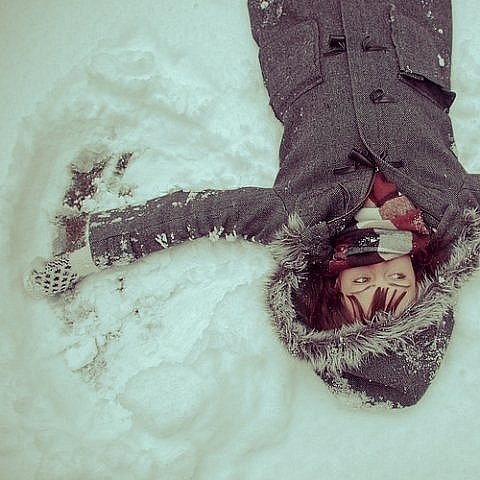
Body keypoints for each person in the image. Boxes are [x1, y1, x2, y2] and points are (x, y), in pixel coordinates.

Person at [24, 0, 480, 407]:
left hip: (311, 33)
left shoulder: (299, 221)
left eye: (362, 279)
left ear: (333, 290)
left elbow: (199, 215)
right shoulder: (455, 212)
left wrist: (86, 255)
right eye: (399, 278)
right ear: (425, 285)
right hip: (402, 30)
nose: (382, 264)